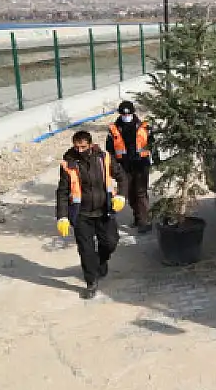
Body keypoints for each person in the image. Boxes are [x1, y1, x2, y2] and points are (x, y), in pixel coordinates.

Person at [56, 130, 127, 299]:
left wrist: (121, 196)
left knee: (111, 242)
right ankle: (91, 282)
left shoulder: (104, 158)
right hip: (82, 215)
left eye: (83, 147)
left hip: (104, 211)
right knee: (86, 250)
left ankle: (101, 261)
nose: (79, 150)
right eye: (76, 147)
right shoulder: (69, 164)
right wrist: (63, 216)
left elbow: (122, 177)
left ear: (90, 144)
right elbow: (62, 192)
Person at [106, 100, 153, 233]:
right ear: (120, 114)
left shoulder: (144, 127)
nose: (126, 116)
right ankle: (137, 218)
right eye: (123, 114)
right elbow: (110, 150)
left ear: (133, 113)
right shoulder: (113, 129)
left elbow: (152, 145)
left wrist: (153, 159)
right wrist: (114, 167)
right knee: (130, 193)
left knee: (141, 192)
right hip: (124, 166)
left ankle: (144, 221)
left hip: (141, 164)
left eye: (129, 114)